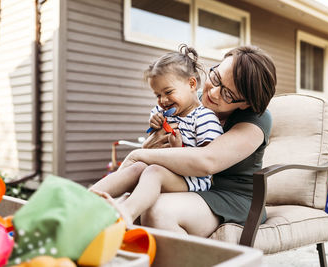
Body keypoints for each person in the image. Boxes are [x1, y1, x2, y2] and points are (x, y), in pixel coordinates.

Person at [118, 45, 277, 237]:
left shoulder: (257, 119)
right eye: (216, 78)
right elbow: (161, 141)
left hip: (233, 197)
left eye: (228, 94)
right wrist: (151, 144)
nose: (213, 93)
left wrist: (140, 153)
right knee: (127, 202)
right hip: (185, 181)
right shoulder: (192, 101)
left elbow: (207, 161)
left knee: (158, 212)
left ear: (246, 103)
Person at [90, 44, 223, 227]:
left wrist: (179, 149)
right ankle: (86, 199)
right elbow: (153, 129)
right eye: (157, 95)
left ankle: (126, 212)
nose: (163, 101)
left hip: (192, 180)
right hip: (165, 170)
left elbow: (207, 159)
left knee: (153, 171)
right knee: (137, 168)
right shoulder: (164, 112)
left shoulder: (204, 117)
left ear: (191, 84)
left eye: (168, 92)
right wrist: (153, 123)